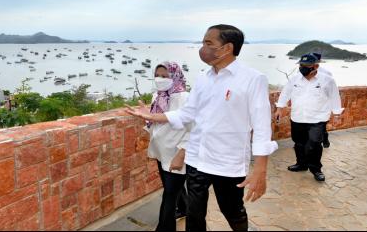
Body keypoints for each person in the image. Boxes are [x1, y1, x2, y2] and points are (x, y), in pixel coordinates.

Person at [126, 24, 278, 232]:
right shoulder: (203, 79)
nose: (202, 48)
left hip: (227, 161)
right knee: (195, 214)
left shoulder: (252, 79)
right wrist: (151, 116)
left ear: (226, 48)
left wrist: (260, 170)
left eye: (209, 43)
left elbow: (261, 126)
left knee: (231, 209)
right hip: (197, 158)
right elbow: (187, 114)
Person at [275, 53, 343, 182]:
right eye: (301, 65)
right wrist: (279, 108)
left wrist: (337, 114)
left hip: (317, 119)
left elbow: (335, 97)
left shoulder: (327, 80)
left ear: (316, 66)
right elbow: (285, 93)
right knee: (299, 143)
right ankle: (301, 164)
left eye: (307, 66)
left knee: (314, 144)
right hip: (297, 117)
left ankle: (316, 169)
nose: (303, 68)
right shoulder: (294, 79)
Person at [142, 61, 190, 231]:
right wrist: (147, 116)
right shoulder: (158, 95)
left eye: (164, 76)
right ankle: (184, 208)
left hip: (176, 153)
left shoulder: (185, 98)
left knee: (169, 195)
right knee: (172, 188)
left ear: (175, 76)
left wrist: (182, 153)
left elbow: (195, 129)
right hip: (161, 151)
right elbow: (156, 121)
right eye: (157, 75)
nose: (160, 79)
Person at [312, 52, 332, 148]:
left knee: (321, 125)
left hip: (322, 104)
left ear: (319, 61)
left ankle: (325, 139)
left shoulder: (326, 73)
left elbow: (330, 89)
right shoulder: (304, 71)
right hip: (309, 103)